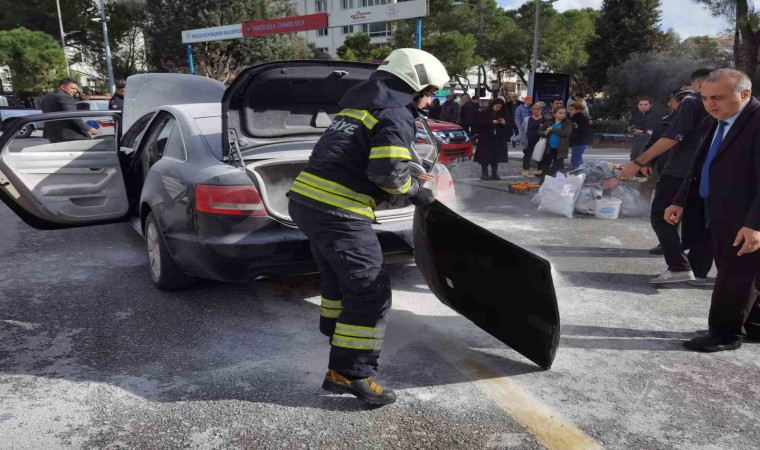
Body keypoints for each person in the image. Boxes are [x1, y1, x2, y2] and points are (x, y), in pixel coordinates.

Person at [286, 48, 448, 405]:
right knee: (370, 290)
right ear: (415, 86)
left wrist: (407, 173)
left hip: (306, 202)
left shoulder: (358, 107)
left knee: (337, 274)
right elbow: (385, 172)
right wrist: (415, 191)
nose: (431, 102)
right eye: (432, 92)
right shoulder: (394, 114)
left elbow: (357, 157)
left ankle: (335, 331)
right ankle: (349, 372)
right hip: (338, 210)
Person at [665, 69, 760, 352]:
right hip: (716, 209)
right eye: (705, 97)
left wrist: (755, 224)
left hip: (745, 215)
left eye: (718, 97)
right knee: (746, 273)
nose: (710, 103)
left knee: (734, 275)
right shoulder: (715, 121)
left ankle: (724, 334)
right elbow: (698, 166)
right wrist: (680, 199)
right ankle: (751, 326)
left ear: (744, 94)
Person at [620, 68, 715, 286]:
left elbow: (673, 137)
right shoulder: (730, 105)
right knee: (701, 222)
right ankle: (698, 272)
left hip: (679, 171)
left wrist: (637, 162)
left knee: (661, 216)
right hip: (707, 173)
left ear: (697, 84)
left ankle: (679, 267)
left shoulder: (693, 101)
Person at [41, 78, 98, 143]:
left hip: (53, 135)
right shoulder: (65, 97)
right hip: (71, 135)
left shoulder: (46, 97)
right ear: (63, 87)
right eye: (72, 88)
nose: (75, 91)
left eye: (76, 89)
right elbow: (73, 116)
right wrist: (89, 129)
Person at [474, 98, 510, 180]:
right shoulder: (484, 112)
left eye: (499, 107)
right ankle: (484, 174)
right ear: (493, 105)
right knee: (485, 156)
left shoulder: (504, 113)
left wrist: (504, 123)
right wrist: (491, 122)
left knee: (496, 157)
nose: (498, 109)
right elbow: (478, 124)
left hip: (498, 139)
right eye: (496, 106)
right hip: (486, 138)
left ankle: (494, 174)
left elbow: (509, 124)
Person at [538, 104, 572, 180]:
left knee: (558, 165)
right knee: (545, 165)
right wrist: (544, 133)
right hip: (549, 147)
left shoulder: (567, 123)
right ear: (554, 114)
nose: (563, 115)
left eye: (564, 113)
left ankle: (553, 179)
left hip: (560, 149)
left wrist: (553, 129)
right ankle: (543, 180)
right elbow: (539, 130)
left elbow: (566, 133)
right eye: (560, 113)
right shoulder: (550, 122)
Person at [520, 102, 546, 178]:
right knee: (527, 156)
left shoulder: (544, 119)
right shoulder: (527, 119)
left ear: (541, 110)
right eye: (534, 109)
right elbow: (522, 129)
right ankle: (525, 170)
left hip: (540, 141)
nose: (536, 111)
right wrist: (521, 138)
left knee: (540, 155)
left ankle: (540, 170)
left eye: (538, 109)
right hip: (529, 140)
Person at [568, 101, 591, 169]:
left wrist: (576, 127)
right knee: (577, 159)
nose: (569, 111)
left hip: (579, 141)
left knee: (576, 160)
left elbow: (582, 130)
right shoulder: (581, 117)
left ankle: (579, 173)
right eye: (569, 109)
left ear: (578, 110)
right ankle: (580, 172)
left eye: (571, 109)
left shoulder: (578, 118)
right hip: (582, 141)